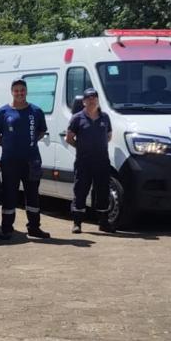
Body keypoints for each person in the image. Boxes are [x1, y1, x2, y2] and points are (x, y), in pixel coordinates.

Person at [0, 79, 50, 240]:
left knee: (33, 195)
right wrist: (8, 146)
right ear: (12, 92)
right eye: (16, 90)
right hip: (10, 162)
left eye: (22, 90)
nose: (19, 93)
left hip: (31, 161)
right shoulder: (3, 112)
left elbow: (41, 132)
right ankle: (7, 229)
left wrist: (29, 143)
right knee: (9, 195)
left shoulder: (36, 111)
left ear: (26, 91)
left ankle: (34, 228)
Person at [66, 87, 114, 234]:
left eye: (94, 98)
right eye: (88, 98)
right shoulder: (77, 118)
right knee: (81, 191)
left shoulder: (105, 117)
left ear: (98, 100)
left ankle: (103, 222)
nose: (92, 101)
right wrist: (81, 147)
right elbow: (69, 138)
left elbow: (108, 136)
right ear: (84, 102)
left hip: (102, 161)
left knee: (103, 191)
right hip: (84, 162)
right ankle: (77, 223)